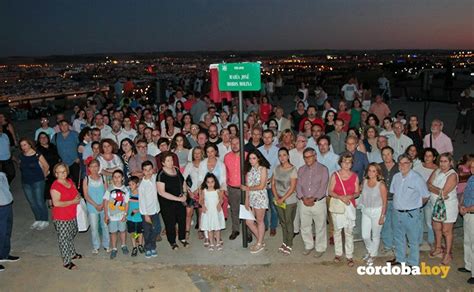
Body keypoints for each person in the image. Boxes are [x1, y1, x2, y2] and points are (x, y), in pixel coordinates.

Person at [387, 154, 430, 267]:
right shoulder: (396, 177)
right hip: (397, 213)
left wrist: (416, 208)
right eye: (400, 163)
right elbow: (394, 193)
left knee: (413, 240)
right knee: (398, 237)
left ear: (410, 164)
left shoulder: (417, 178)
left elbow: (425, 196)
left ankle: (413, 263)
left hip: (411, 214)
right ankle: (401, 260)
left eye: (405, 163)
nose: (402, 165)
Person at [328, 152, 360, 267]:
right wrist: (341, 197)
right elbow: (330, 191)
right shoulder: (335, 175)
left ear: (352, 164)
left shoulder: (355, 176)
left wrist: (349, 197)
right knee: (337, 230)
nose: (346, 164)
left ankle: (349, 255)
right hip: (338, 206)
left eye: (349, 162)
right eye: (344, 161)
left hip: (349, 206)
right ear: (340, 163)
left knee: (349, 231)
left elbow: (357, 192)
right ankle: (338, 253)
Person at [427, 153, 459, 265]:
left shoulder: (452, 175)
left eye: (445, 161)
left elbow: (444, 192)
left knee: (446, 230)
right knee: (436, 227)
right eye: (441, 161)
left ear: (450, 162)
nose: (443, 164)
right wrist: (439, 191)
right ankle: (438, 248)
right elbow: (428, 184)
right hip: (435, 204)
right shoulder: (436, 171)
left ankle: (448, 254)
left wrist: (435, 189)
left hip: (448, 207)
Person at [50, 163, 81, 270]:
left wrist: (78, 196)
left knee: (72, 232)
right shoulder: (55, 186)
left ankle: (72, 253)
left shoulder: (69, 181)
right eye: (60, 172)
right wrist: (73, 201)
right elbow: (57, 203)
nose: (62, 174)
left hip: (72, 213)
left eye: (64, 171)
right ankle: (67, 261)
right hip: (61, 217)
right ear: (55, 173)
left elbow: (76, 192)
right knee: (64, 238)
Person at [156, 151, 188, 250]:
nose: (171, 162)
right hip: (167, 203)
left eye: (172, 160)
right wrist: (178, 199)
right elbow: (161, 192)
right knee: (170, 222)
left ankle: (182, 238)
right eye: (168, 160)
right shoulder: (161, 174)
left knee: (182, 220)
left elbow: (183, 182)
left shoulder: (176, 170)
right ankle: (172, 241)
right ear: (163, 163)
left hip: (179, 200)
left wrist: (185, 193)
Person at [241, 150, 270, 254]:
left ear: (258, 158)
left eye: (254, 158)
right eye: (250, 158)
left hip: (260, 197)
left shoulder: (263, 169)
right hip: (252, 197)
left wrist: (248, 188)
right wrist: (246, 200)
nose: (251, 161)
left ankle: (259, 243)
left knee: (259, 221)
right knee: (248, 221)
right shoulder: (249, 170)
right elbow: (247, 187)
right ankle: (260, 240)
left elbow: (262, 186)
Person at [19, 138, 50, 230]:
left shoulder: (37, 154)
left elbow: (46, 166)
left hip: (38, 181)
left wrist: (43, 176)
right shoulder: (21, 155)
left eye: (25, 145)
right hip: (26, 182)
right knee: (32, 202)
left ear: (29, 144)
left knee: (39, 201)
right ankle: (38, 219)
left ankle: (44, 220)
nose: (23, 147)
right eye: (21, 145)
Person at [359, 163, 388, 265]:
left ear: (378, 173)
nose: (371, 173)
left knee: (375, 235)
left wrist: (382, 216)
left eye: (374, 171)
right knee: (365, 235)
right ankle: (371, 251)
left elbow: (385, 202)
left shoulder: (381, 185)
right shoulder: (365, 181)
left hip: (377, 211)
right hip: (366, 210)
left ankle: (372, 255)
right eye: (369, 170)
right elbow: (360, 191)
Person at [272, 148, 298, 254]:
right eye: (280, 155)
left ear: (288, 156)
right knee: (282, 222)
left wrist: (282, 199)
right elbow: (273, 184)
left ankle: (289, 243)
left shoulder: (293, 169)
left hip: (289, 200)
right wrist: (277, 197)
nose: (282, 157)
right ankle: (284, 242)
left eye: (284, 155)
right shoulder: (276, 168)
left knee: (288, 222)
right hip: (278, 199)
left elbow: (292, 188)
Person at [413, 147, 439, 249]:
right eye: (425, 155)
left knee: (429, 221)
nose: (427, 158)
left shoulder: (437, 169)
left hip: (430, 198)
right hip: (418, 198)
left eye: (429, 156)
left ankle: (431, 240)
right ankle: (418, 240)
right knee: (418, 221)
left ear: (434, 157)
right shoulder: (418, 166)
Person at [82, 159, 109, 254]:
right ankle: (96, 246)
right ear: (88, 168)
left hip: (103, 205)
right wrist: (95, 205)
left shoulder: (103, 178)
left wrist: (102, 204)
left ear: (99, 167)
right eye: (92, 166)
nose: (94, 168)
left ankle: (106, 245)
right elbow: (86, 195)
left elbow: (106, 192)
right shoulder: (86, 180)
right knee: (94, 227)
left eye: (96, 166)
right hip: (92, 207)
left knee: (105, 226)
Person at [104, 170, 130, 259]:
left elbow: (127, 203)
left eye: (119, 177)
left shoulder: (125, 189)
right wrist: (106, 215)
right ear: (112, 178)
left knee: (122, 231)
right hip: (111, 216)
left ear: (122, 178)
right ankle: (114, 248)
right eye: (115, 177)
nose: (117, 179)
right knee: (113, 232)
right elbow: (106, 201)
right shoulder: (109, 189)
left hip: (121, 215)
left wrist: (125, 214)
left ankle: (123, 245)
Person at [224, 138, 246, 241]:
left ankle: (248, 232)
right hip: (232, 188)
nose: (235, 145)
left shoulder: (246, 156)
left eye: (237, 143)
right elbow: (225, 173)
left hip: (245, 189)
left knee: (247, 211)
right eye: (232, 143)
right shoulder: (227, 157)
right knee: (234, 210)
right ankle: (235, 230)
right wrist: (225, 188)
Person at [258, 129, 280, 237]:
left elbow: (278, 167)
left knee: (273, 205)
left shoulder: (277, 151)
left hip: (273, 182)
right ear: (262, 138)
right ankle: (265, 224)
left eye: (269, 137)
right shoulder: (258, 150)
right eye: (265, 137)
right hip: (261, 183)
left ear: (273, 138)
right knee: (263, 206)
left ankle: (273, 226)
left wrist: (272, 178)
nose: (267, 139)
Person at [139, 161, 161, 259]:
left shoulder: (154, 178)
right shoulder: (142, 185)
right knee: (147, 231)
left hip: (155, 210)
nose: (148, 172)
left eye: (150, 169)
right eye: (145, 170)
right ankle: (148, 247)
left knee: (157, 229)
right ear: (143, 171)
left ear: (153, 169)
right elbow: (142, 201)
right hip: (146, 212)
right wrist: (146, 215)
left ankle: (152, 245)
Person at [200, 173, 226, 251]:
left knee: (217, 228)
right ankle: (211, 243)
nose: (210, 184)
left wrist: (219, 204)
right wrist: (203, 206)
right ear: (205, 183)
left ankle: (218, 242)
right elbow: (201, 200)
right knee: (209, 229)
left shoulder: (217, 191)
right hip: (208, 212)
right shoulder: (204, 191)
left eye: (212, 182)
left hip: (216, 212)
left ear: (215, 182)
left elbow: (221, 199)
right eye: (208, 182)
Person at [0, 171, 20, 272]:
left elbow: (6, 189)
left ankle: (4, 254)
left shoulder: (2, 174)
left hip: (7, 205)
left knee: (7, 231)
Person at [183, 147, 204, 240]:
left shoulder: (205, 164)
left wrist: (198, 190)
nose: (197, 155)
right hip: (191, 193)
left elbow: (207, 179)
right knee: (188, 213)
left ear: (202, 154)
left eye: (199, 153)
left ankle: (200, 230)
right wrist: (189, 191)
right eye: (195, 153)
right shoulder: (189, 165)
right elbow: (182, 179)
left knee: (201, 213)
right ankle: (187, 231)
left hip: (201, 192)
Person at [459, 159, 474, 284]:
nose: (473, 169)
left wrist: (467, 208)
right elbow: (465, 193)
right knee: (467, 241)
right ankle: (468, 266)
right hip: (467, 214)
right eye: (472, 167)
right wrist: (461, 204)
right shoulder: (471, 179)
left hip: (472, 213)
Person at [53, 120, 80, 187]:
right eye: (62, 125)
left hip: (74, 161)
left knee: (77, 181)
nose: (64, 126)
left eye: (66, 125)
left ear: (68, 126)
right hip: (62, 163)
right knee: (64, 182)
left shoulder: (74, 134)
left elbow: (80, 146)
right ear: (59, 127)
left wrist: (79, 158)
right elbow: (52, 148)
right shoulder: (56, 136)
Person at [127, 176, 144, 257]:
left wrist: (137, 210)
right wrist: (125, 214)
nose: (131, 186)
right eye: (129, 184)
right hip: (131, 217)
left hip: (139, 217)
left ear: (137, 184)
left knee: (140, 232)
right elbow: (126, 204)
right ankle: (134, 247)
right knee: (133, 232)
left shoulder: (141, 194)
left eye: (133, 184)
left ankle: (140, 244)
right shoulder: (128, 193)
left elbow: (144, 205)